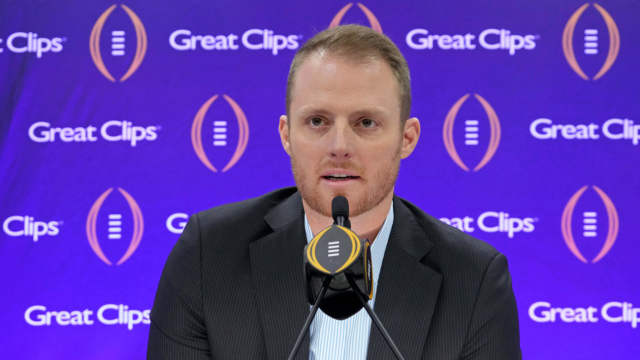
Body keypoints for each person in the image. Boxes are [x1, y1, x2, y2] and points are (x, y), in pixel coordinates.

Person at [148, 25, 521, 359]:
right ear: (286, 135)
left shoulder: (474, 280)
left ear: (406, 139)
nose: (339, 145)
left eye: (366, 122)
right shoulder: (208, 253)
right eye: (317, 121)